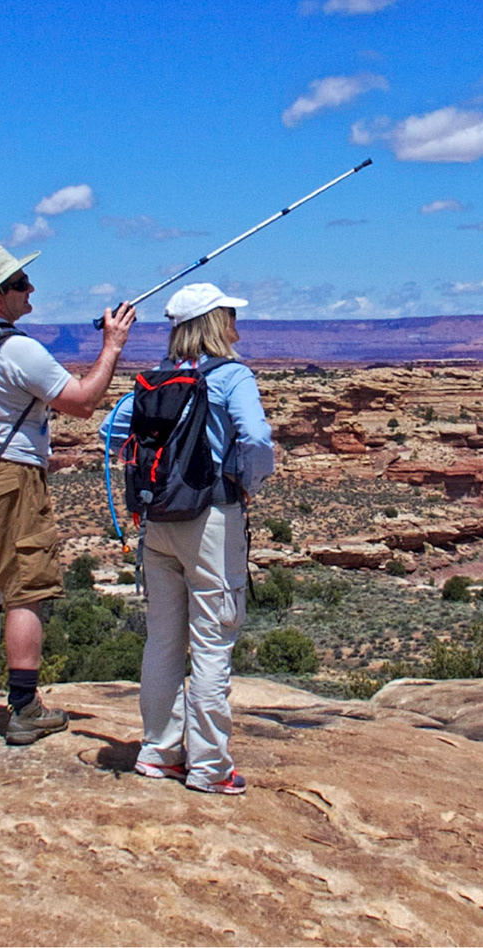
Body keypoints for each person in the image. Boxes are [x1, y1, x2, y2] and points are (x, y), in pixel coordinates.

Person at [0, 243, 135, 748]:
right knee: (27, 588)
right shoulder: (15, 348)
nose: (31, 290)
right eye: (21, 283)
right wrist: (112, 347)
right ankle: (24, 708)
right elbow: (84, 403)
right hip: (10, 479)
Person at [102, 283, 276, 794]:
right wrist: (249, 481)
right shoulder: (230, 375)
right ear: (215, 324)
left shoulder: (154, 379)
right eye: (229, 316)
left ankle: (158, 753)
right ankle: (209, 768)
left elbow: (110, 434)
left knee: (162, 639)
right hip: (211, 521)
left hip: (157, 525)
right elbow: (257, 438)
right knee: (211, 640)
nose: (236, 325)